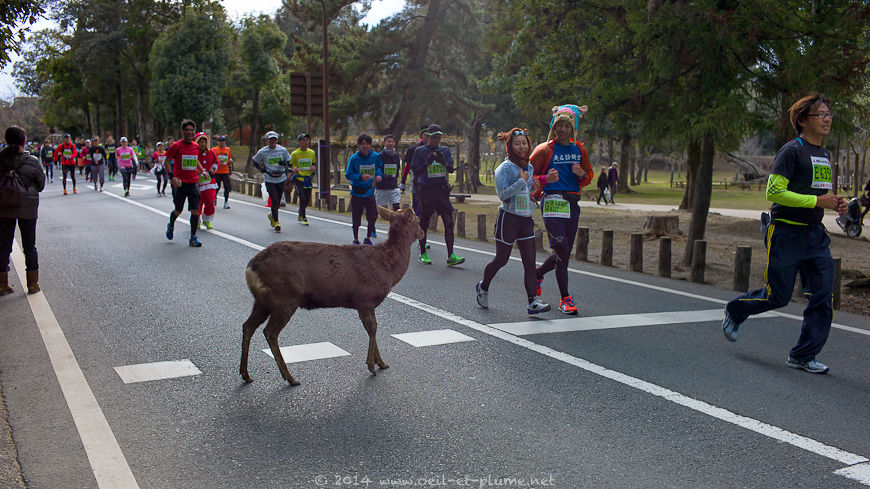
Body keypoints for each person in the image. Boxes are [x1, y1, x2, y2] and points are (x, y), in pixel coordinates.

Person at [721, 93, 847, 374]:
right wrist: (817, 202)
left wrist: (835, 203)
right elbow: (774, 192)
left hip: (815, 236)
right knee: (777, 296)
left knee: (823, 296)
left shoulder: (825, 155)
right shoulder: (792, 151)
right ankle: (735, 310)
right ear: (803, 120)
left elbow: (819, 193)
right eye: (821, 114)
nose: (827, 119)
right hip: (786, 233)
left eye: (829, 114)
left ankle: (803, 355)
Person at [476, 128, 550, 315]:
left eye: (524, 143)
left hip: (526, 220)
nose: (522, 147)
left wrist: (533, 189)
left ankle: (532, 301)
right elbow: (503, 195)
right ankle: (483, 287)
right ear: (510, 147)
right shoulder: (504, 168)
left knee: (530, 261)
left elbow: (525, 192)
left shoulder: (529, 167)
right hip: (508, 219)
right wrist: (521, 182)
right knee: (501, 259)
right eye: (517, 144)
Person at [530, 104, 593, 315]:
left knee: (563, 252)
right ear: (554, 128)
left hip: (572, 203)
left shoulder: (579, 150)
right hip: (552, 201)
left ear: (572, 128)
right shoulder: (545, 149)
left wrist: (582, 173)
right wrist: (545, 179)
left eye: (567, 126)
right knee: (563, 250)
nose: (563, 130)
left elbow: (588, 177)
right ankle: (565, 298)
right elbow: (528, 175)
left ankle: (538, 274)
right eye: (560, 126)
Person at [410, 124, 465, 266]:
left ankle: (451, 255)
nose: (437, 140)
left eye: (439, 137)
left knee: (449, 221)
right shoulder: (420, 151)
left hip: (441, 190)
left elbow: (451, 169)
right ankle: (423, 253)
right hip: (426, 190)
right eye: (434, 137)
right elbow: (416, 171)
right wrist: (427, 163)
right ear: (428, 137)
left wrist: (444, 162)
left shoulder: (444, 150)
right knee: (425, 221)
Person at [0, 126, 45, 295]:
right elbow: (41, 185)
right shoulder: (32, 161)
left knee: (3, 246)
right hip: (27, 208)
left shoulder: (1, 160)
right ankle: (32, 284)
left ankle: (2, 284)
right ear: (24, 142)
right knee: (29, 246)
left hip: (3, 207)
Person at [164, 119, 208, 247]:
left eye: (191, 130)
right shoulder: (176, 146)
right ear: (182, 132)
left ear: (194, 132)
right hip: (180, 184)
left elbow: (195, 160)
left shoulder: (196, 146)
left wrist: (202, 171)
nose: (189, 132)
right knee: (178, 210)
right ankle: (171, 225)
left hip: (193, 183)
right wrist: (172, 177)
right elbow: (166, 162)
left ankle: (193, 237)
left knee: (195, 210)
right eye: (187, 130)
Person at [345, 133, 382, 244]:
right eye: (363, 144)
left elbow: (379, 168)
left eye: (367, 144)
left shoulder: (375, 156)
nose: (365, 146)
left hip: (369, 191)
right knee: (356, 216)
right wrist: (360, 176)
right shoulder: (354, 158)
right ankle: (356, 238)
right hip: (357, 192)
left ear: (370, 145)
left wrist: (379, 175)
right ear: (359, 146)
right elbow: (348, 174)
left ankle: (368, 238)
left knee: (373, 215)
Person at [252, 131, 292, 232]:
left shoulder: (282, 150)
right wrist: (262, 169)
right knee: (274, 199)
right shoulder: (263, 151)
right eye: (270, 140)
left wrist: (285, 165)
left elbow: (289, 162)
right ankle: (276, 222)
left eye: (274, 139)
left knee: (277, 200)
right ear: (267, 141)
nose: (272, 142)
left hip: (280, 177)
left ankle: (272, 215)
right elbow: (255, 161)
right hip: (269, 178)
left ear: (277, 140)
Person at [401, 125, 429, 218]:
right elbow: (407, 166)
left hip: (430, 181)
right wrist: (403, 181)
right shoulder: (413, 149)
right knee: (416, 203)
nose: (428, 138)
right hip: (416, 180)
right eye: (426, 135)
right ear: (421, 136)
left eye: (430, 135)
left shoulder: (435, 150)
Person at [289, 133, 316, 225]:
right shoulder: (294, 153)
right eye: (303, 140)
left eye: (306, 140)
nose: (305, 142)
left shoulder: (312, 152)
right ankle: (304, 217)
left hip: (308, 179)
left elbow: (313, 164)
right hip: (298, 179)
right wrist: (293, 169)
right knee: (302, 197)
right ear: (299, 142)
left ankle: (301, 211)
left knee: (307, 199)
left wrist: (313, 168)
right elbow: (289, 166)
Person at [194, 133, 219, 229]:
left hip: (209, 182)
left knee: (210, 201)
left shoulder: (211, 152)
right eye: (200, 142)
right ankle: (197, 220)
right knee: (198, 203)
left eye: (205, 142)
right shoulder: (194, 153)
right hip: (197, 182)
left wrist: (213, 169)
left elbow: (215, 162)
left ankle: (207, 219)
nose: (203, 144)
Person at [376, 134, 402, 212]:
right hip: (382, 187)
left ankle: (396, 223)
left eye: (392, 142)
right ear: (384, 143)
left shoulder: (396, 156)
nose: (390, 143)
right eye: (388, 141)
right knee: (380, 209)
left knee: (397, 207)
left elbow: (397, 170)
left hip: (393, 186)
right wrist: (382, 176)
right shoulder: (380, 156)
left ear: (394, 143)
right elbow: (377, 169)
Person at [211, 135, 233, 209]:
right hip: (217, 171)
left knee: (227, 187)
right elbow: (211, 160)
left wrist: (230, 161)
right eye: (220, 141)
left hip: (225, 171)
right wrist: (218, 161)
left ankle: (226, 202)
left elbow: (229, 158)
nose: (222, 142)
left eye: (223, 141)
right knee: (216, 187)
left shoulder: (228, 149)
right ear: (217, 142)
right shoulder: (214, 150)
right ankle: (214, 198)